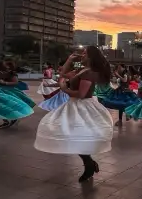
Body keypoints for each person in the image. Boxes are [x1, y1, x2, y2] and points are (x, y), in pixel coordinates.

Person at [34, 46, 114, 182]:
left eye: (85, 53)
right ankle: (89, 163)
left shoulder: (89, 73)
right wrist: (69, 60)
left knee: (76, 136)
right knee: (71, 135)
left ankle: (89, 164)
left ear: (91, 57)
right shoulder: (81, 69)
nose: (82, 55)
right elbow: (63, 75)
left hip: (83, 106)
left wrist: (65, 89)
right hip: (74, 105)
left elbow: (82, 94)